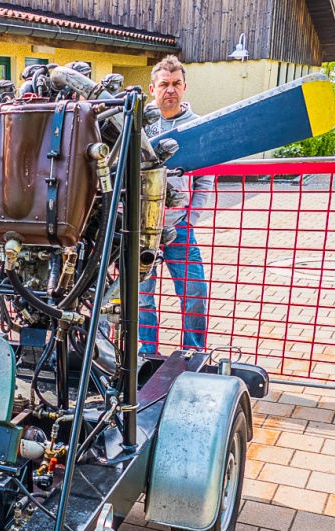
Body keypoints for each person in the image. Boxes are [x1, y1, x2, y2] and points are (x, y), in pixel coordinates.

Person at [138, 55, 213, 352]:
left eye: (176, 84)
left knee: (194, 292)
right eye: (164, 84)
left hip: (178, 226)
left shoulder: (196, 126)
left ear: (184, 87)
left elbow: (205, 178)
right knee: (141, 295)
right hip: (140, 226)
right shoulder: (136, 124)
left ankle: (193, 350)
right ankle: (147, 351)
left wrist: (191, 219)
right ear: (152, 88)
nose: (170, 89)